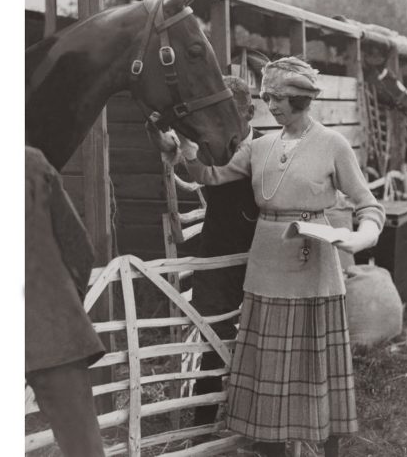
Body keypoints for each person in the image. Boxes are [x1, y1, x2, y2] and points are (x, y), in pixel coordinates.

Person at [175, 57, 385, 457]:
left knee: (315, 367)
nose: (271, 105)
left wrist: (364, 236)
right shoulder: (260, 147)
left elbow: (367, 203)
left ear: (303, 100)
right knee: (268, 374)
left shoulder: (333, 145)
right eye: (267, 96)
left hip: (314, 271)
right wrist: (185, 149)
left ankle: (328, 449)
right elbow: (210, 176)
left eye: (280, 98)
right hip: (265, 269)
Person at [147, 76, 262, 428]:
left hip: (257, 260)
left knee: (260, 341)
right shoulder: (210, 148)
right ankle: (203, 425)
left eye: (233, 112)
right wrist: (170, 142)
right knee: (212, 336)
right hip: (215, 257)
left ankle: (254, 420)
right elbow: (190, 165)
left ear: (250, 113)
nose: (223, 121)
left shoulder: (265, 151)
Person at [26, 146, 106, 457]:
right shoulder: (31, 163)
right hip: (55, 330)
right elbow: (79, 249)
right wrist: (64, 305)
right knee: (83, 448)